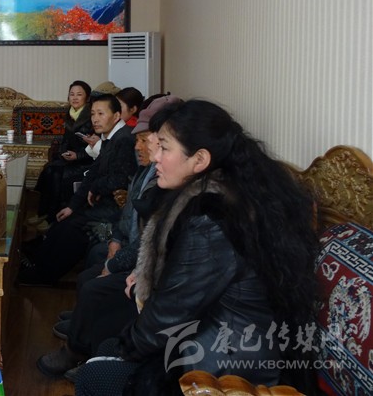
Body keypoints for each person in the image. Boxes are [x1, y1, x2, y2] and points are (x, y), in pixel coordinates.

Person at [73, 100, 319, 396]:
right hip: (224, 339)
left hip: (229, 371)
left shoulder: (213, 219)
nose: (155, 157)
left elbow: (168, 315)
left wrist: (130, 338)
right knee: (107, 345)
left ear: (200, 159)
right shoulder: (232, 191)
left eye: (164, 148)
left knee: (94, 374)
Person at [37, 95, 181, 381]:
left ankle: (77, 350)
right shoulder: (148, 170)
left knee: (93, 278)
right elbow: (129, 215)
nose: (139, 146)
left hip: (150, 271)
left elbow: (150, 240)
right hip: (131, 248)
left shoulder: (168, 182)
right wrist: (115, 241)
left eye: (147, 141)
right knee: (86, 265)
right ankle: (79, 324)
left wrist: (118, 264)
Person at [18, 94, 137, 286]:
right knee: (64, 218)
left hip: (116, 210)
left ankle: (43, 275)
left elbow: (120, 179)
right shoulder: (110, 138)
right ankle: (35, 263)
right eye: (93, 114)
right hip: (101, 203)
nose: (95, 119)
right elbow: (94, 173)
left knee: (73, 228)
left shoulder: (124, 139)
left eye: (101, 113)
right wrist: (72, 206)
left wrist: (95, 188)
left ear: (116, 116)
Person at [30, 80, 95, 225]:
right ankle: (40, 212)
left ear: (87, 98)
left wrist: (78, 155)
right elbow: (65, 140)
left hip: (86, 162)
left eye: (79, 94)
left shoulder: (92, 116)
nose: (75, 98)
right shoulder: (70, 114)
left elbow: (97, 147)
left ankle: (52, 217)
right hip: (71, 158)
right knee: (48, 170)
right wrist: (63, 153)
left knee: (57, 174)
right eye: (72, 94)